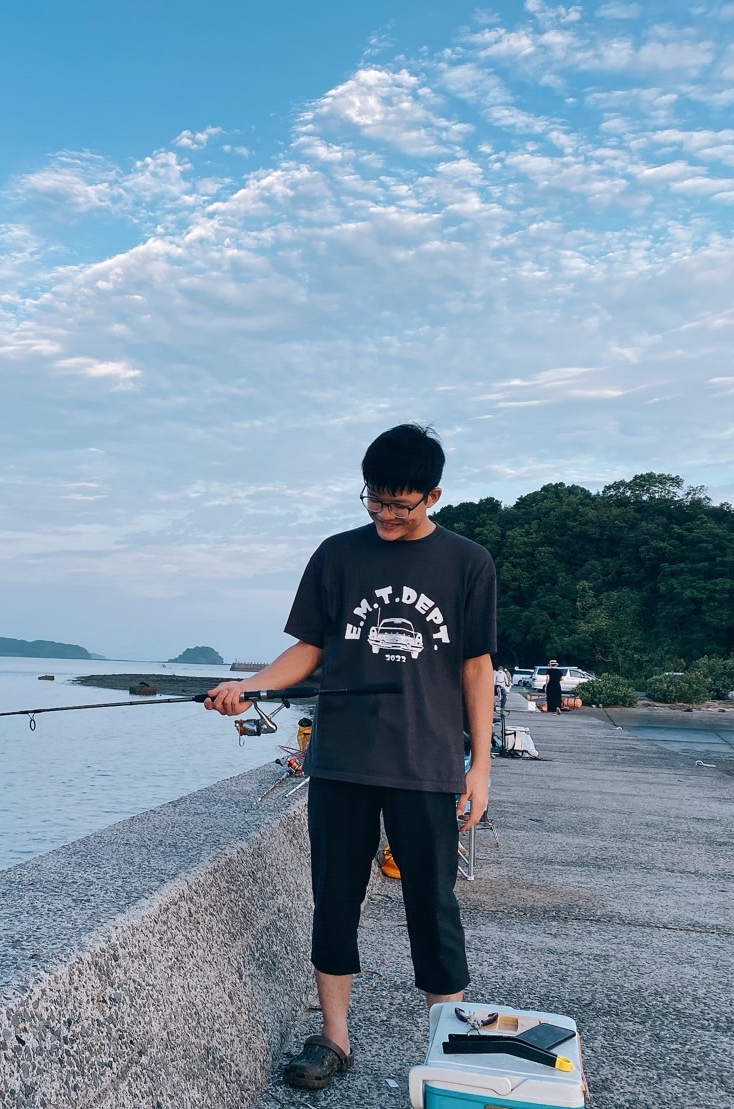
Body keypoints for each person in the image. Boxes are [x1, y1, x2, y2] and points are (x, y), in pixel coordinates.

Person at [204, 423, 496, 1091]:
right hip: (339, 760)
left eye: (402, 504)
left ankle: (443, 1046)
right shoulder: (337, 555)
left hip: (426, 764)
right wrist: (249, 686)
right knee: (333, 902)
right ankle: (333, 1039)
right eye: (374, 500)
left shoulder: (467, 562)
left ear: (434, 494)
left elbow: (476, 667)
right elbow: (307, 649)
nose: (386, 516)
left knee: (433, 906)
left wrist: (479, 766)